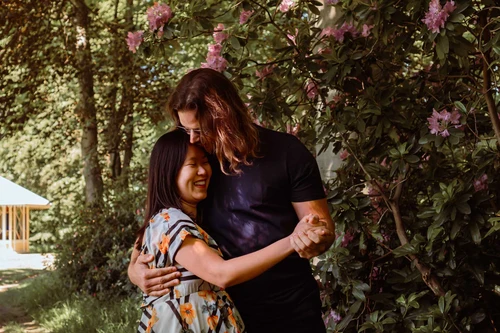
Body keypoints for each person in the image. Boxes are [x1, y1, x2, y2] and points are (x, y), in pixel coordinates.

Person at [129, 68, 335, 333]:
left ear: (225, 118)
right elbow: (153, 229)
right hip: (224, 318)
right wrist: (135, 273)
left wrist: (310, 239)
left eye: (199, 129)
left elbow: (322, 230)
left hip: (290, 311)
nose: (191, 138)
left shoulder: (288, 153)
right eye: (185, 128)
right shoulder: (195, 161)